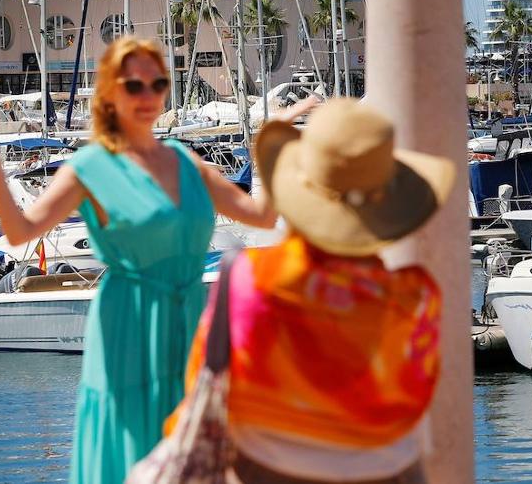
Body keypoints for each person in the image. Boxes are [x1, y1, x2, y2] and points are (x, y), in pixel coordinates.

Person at [0, 36, 318, 484]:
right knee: (137, 447)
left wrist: (268, 145)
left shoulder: (185, 162)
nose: (149, 96)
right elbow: (20, 232)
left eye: (158, 84)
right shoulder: (91, 167)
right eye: (135, 85)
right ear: (111, 92)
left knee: (196, 451)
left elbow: (262, 213)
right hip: (129, 327)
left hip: (192, 321)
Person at [167, 98, 453, 483]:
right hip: (388, 471)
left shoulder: (249, 279)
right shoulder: (414, 296)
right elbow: (417, 398)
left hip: (265, 468)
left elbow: (204, 384)